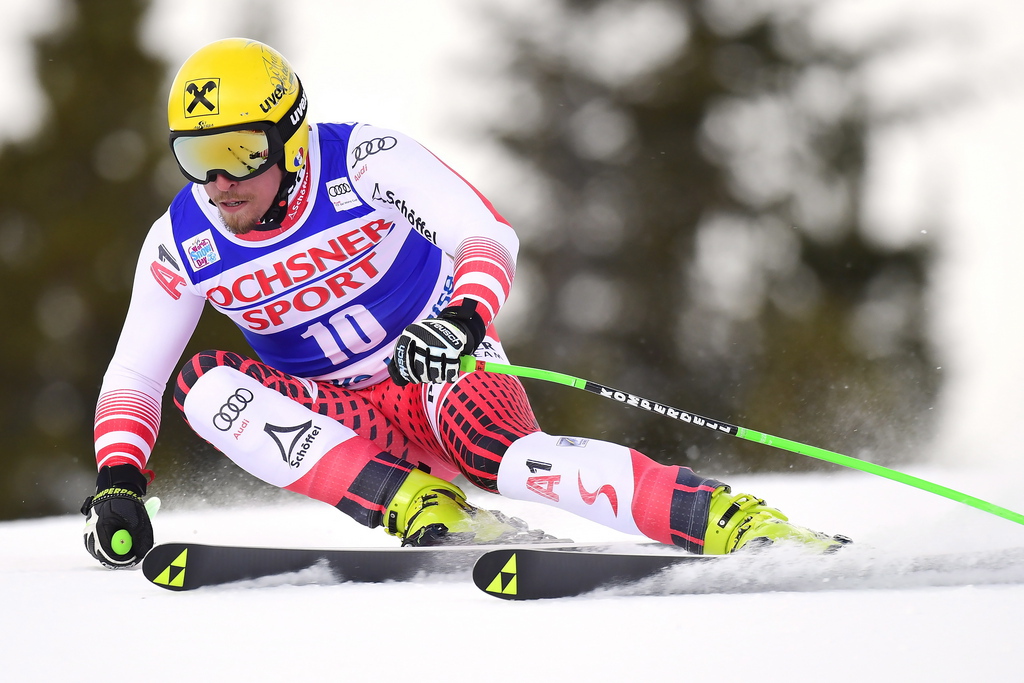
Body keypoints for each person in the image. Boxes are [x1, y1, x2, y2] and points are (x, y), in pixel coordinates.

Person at [81, 38, 847, 570]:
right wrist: (118, 478)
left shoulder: (361, 161)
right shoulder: (182, 239)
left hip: (437, 364)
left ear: (291, 137)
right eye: (196, 157)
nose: (218, 184)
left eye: (240, 153)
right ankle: (422, 505)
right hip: (345, 419)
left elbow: (485, 231)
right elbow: (134, 375)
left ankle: (726, 519)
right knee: (203, 385)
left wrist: (463, 318)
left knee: (504, 458)